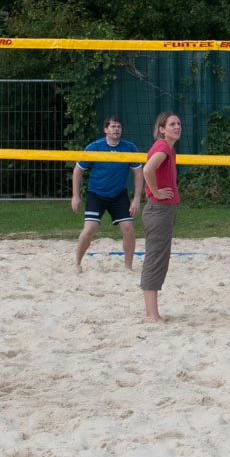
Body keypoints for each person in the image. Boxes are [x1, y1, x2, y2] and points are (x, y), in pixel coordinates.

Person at [71, 116, 141, 272]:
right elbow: (78, 171)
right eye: (113, 126)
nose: (116, 129)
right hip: (96, 194)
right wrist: (75, 196)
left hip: (118, 195)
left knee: (128, 228)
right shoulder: (94, 147)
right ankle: (77, 263)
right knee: (90, 228)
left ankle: (128, 266)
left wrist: (136, 198)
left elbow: (138, 173)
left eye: (118, 126)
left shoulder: (129, 147)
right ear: (105, 129)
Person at [137, 111, 182, 323]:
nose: (177, 127)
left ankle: (152, 312)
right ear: (161, 129)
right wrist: (156, 192)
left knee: (158, 259)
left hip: (164, 210)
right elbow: (147, 170)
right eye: (172, 124)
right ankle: (152, 315)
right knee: (155, 260)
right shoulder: (163, 147)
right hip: (159, 210)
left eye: (178, 123)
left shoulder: (169, 149)